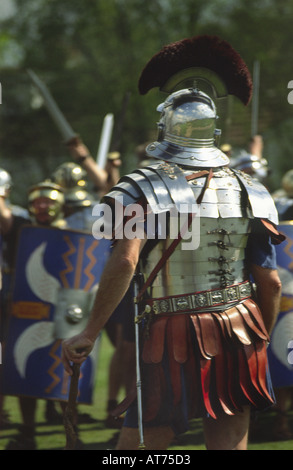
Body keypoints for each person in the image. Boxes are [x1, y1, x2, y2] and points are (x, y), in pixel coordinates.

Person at [61, 35, 283, 450]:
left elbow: (126, 262)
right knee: (229, 442)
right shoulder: (253, 190)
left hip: (171, 336)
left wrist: (90, 331)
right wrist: (259, 338)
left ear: (167, 128)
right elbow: (269, 282)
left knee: (140, 449)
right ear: (212, 130)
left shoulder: (138, 188)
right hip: (242, 329)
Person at [0, 181, 68, 449]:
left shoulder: (74, 233)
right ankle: (28, 432)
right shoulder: (22, 231)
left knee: (64, 373)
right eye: (38, 202)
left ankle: (72, 435)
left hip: (64, 313)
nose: (42, 206)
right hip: (28, 309)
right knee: (25, 368)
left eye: (48, 201)